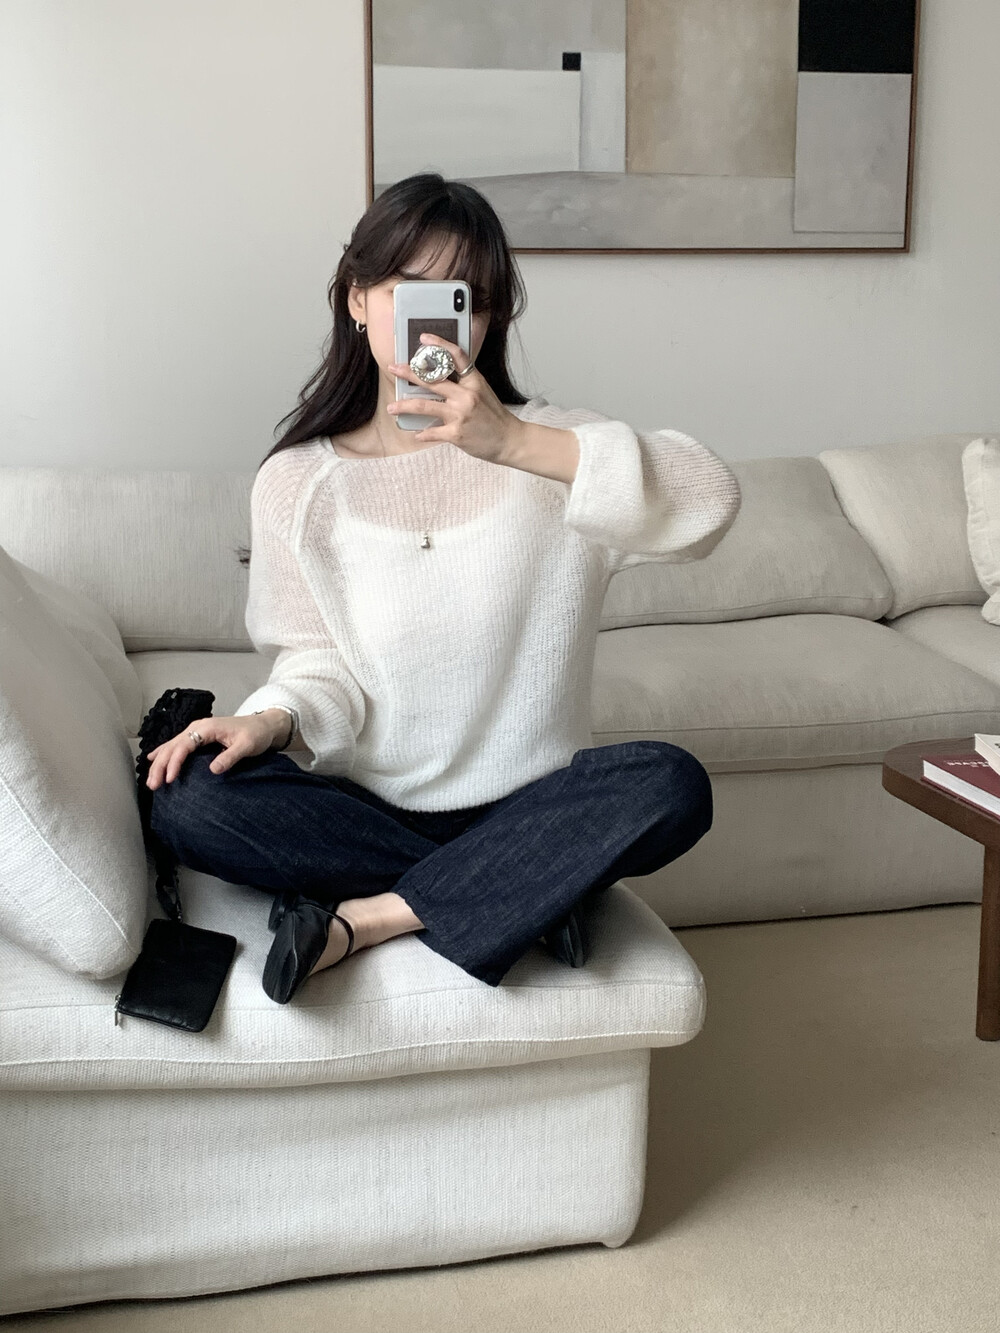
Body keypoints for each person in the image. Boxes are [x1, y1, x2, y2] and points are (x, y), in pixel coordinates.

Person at [144, 172, 742, 1005]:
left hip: (528, 802)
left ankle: (371, 917)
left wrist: (515, 443)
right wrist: (269, 719)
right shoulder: (299, 484)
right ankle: (528, 891)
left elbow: (711, 500)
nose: (435, 319)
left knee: (671, 785)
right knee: (189, 801)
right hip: (371, 808)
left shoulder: (551, 447)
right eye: (408, 288)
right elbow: (317, 664)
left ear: (486, 318)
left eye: (464, 297)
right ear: (357, 298)